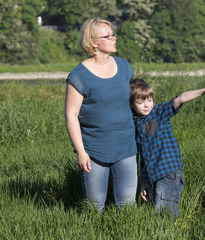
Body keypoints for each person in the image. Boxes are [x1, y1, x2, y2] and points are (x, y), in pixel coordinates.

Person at [65, 17, 137, 213]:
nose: (113, 38)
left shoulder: (124, 67)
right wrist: (81, 151)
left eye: (113, 34)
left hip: (126, 147)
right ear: (93, 42)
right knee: (94, 207)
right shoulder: (78, 76)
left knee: (127, 208)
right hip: (94, 151)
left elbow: (136, 103)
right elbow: (71, 116)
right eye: (107, 36)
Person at [129, 78, 205, 221]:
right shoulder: (135, 123)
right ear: (132, 104)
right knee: (160, 213)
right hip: (152, 176)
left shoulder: (159, 112)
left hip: (167, 172)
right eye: (140, 103)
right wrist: (144, 182)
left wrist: (204, 91)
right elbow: (143, 156)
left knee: (165, 213)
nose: (147, 105)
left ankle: (173, 233)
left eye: (149, 100)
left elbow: (181, 98)